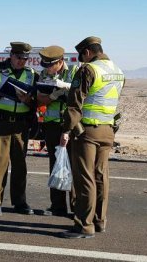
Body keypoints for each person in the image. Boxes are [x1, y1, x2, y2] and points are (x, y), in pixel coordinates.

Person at [59, 36, 125, 238]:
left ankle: (84, 225)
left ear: (87, 52)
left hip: (87, 131)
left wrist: (66, 130)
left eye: (82, 56)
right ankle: (99, 221)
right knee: (101, 176)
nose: (82, 61)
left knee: (84, 178)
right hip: (107, 130)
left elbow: (75, 103)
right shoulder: (118, 71)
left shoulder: (89, 69)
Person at [0, 41, 39, 217]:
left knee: (20, 165)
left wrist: (29, 100)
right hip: (2, 122)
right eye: (19, 57)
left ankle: (20, 202)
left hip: (22, 124)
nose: (22, 61)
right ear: (12, 55)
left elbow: (37, 99)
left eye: (26, 58)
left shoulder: (32, 74)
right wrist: (3, 92)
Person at [36, 45, 78, 217]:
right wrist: (53, 96)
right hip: (52, 125)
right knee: (55, 165)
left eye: (50, 65)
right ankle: (57, 207)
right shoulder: (44, 74)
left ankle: (76, 208)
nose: (46, 69)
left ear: (60, 62)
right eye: (44, 65)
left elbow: (80, 94)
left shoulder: (74, 71)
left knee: (73, 166)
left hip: (71, 125)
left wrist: (66, 88)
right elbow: (39, 100)